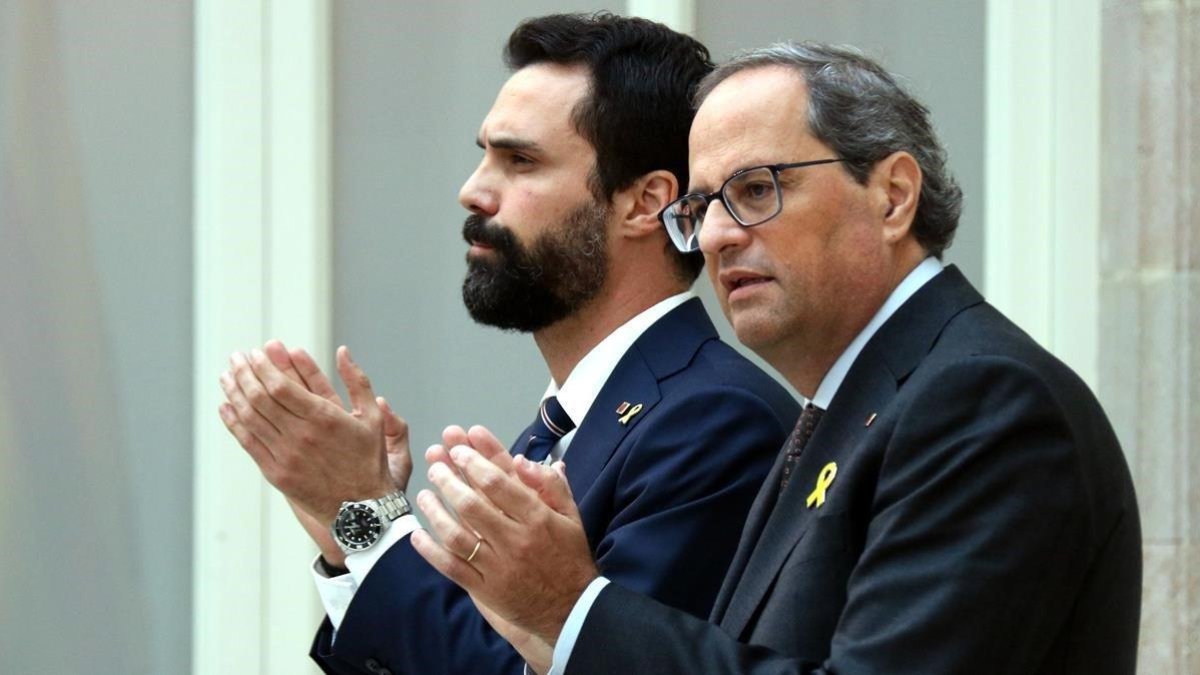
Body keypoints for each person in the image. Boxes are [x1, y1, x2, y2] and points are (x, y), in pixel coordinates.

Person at [412, 42, 1143, 674]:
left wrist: (571, 607)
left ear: (892, 196)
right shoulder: (846, 405)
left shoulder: (983, 399)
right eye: (700, 209)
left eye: (756, 189)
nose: (717, 237)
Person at [217, 13, 801, 675]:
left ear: (644, 203)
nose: (473, 189)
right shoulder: (564, 428)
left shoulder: (715, 422)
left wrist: (368, 513)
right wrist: (342, 520)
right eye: (483, 152)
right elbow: (466, 655)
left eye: (520, 161)